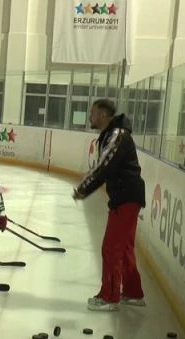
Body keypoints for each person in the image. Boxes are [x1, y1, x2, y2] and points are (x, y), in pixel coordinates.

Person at [72, 99, 146, 312]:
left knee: (111, 247)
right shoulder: (111, 135)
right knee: (123, 247)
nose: (90, 117)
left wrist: (83, 189)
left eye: (93, 113)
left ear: (103, 115)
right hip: (125, 197)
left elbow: (103, 167)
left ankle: (109, 297)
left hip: (127, 197)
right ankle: (133, 293)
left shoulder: (117, 136)